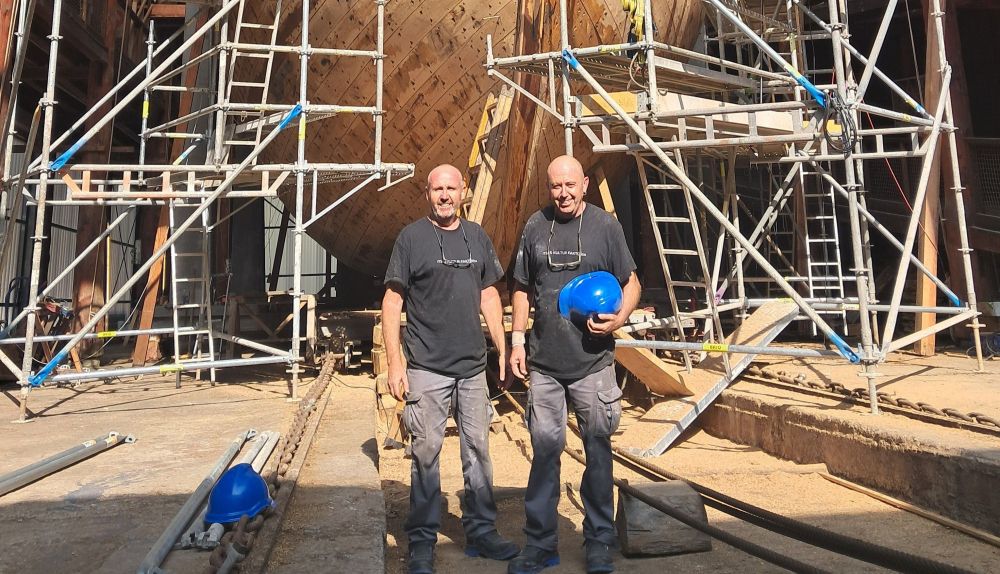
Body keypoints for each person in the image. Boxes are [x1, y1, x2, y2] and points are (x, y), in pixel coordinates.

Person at [382, 164, 520, 574]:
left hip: (473, 368)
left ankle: (481, 532)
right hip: (426, 367)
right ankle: (422, 541)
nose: (444, 195)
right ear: (427, 194)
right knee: (425, 453)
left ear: (463, 192)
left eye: (451, 188)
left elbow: (490, 296)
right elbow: (393, 303)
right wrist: (395, 362)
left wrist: (503, 347)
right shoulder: (411, 238)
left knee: (478, 451)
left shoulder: (476, 236)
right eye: (437, 189)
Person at [507, 155, 641, 574]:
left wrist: (621, 318)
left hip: (594, 364)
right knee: (545, 452)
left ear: (584, 184)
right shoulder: (534, 226)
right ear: (548, 188)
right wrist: (516, 340)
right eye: (555, 187)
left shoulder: (606, 227)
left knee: (598, 452)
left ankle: (599, 541)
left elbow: (631, 281)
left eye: (569, 185)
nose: (562, 193)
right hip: (545, 363)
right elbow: (522, 287)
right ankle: (541, 544)